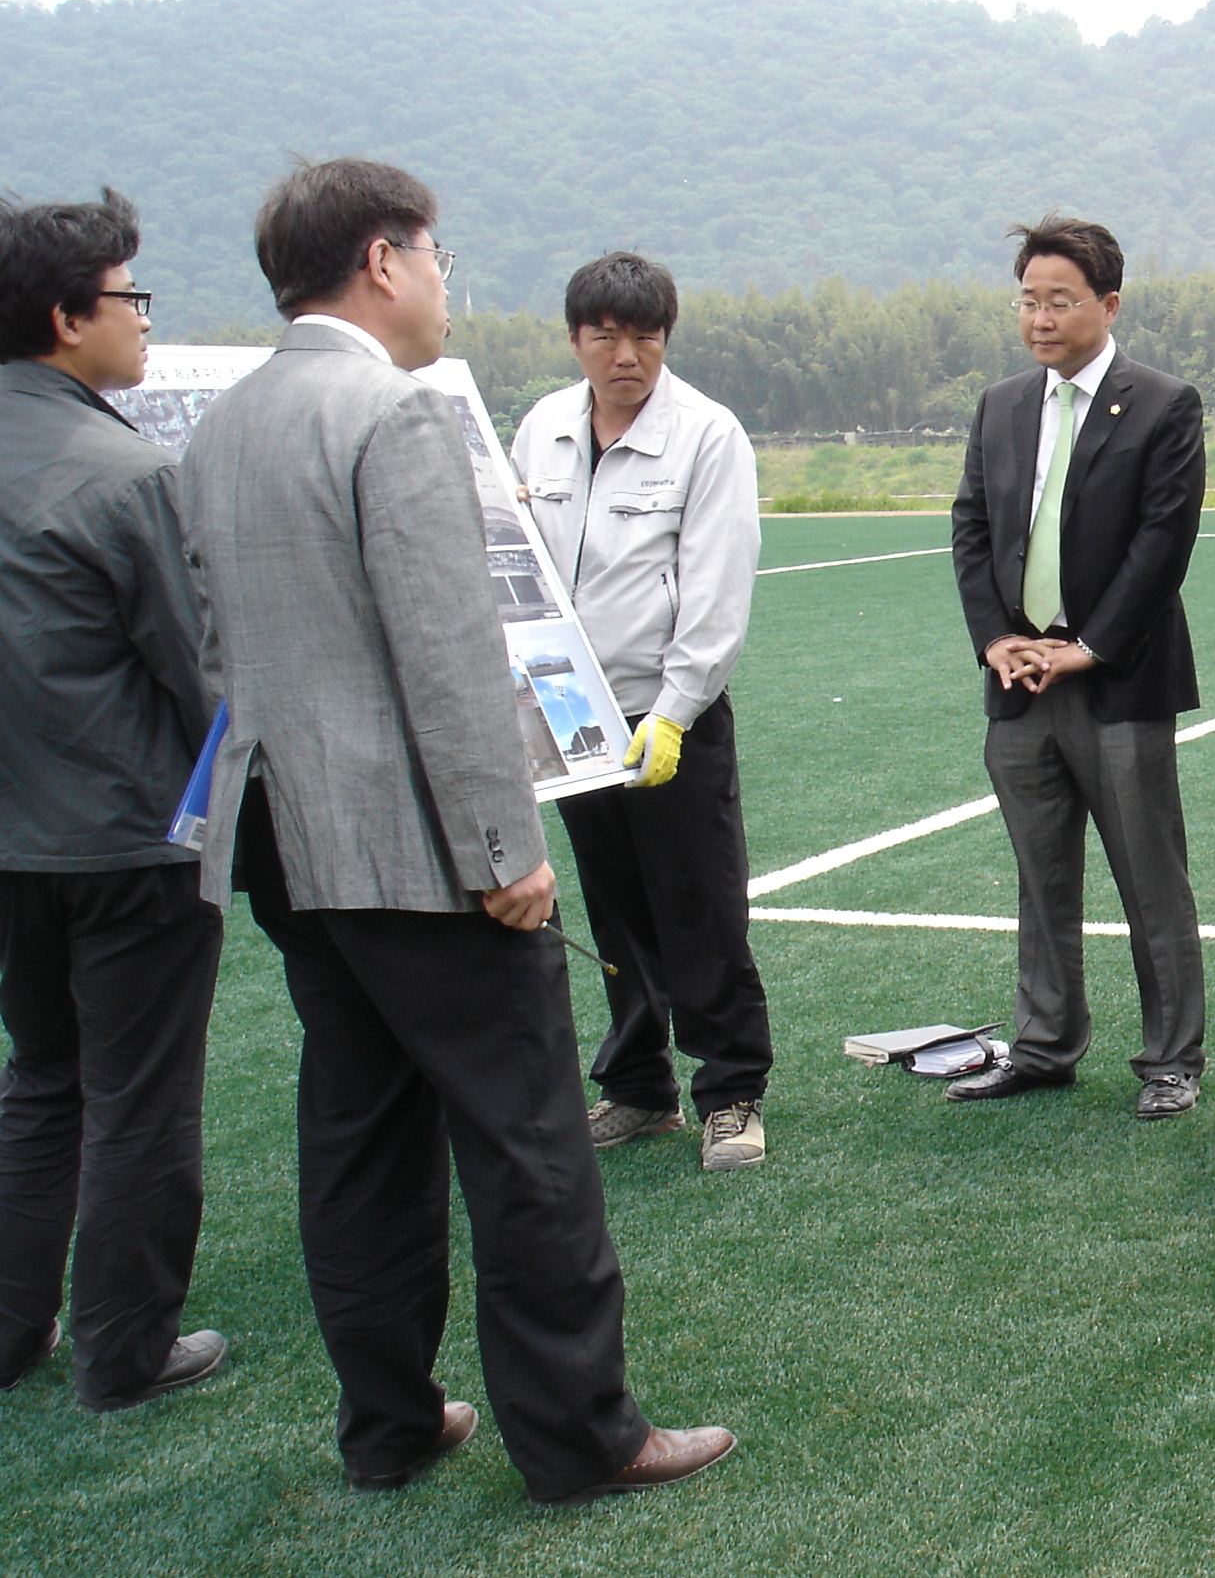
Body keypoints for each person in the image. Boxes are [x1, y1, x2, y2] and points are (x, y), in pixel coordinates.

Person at [180, 158, 731, 1500]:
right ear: (383, 259)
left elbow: (207, 646)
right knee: (530, 1144)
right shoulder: (399, 416)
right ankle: (582, 1437)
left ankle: (387, 1422)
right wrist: (506, 853)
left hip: (285, 842)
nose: (442, 281)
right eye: (434, 256)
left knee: (358, 1134)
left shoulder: (221, 422)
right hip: (423, 851)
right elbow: (449, 659)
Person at [0, 190, 228, 1409]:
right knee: (138, 1096)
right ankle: (126, 1348)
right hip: (127, 845)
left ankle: (10, 1326)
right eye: (130, 295)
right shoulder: (121, 470)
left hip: (15, 851)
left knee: (42, 1078)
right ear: (65, 313)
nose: (144, 319)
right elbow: (202, 673)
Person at [512, 252, 771, 1173]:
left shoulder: (706, 434)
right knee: (614, 908)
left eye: (646, 336)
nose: (627, 355)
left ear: (666, 338)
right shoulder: (542, 428)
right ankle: (636, 1087)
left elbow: (716, 587)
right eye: (606, 336)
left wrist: (675, 709)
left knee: (699, 906)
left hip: (667, 718)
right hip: (571, 717)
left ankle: (731, 1091)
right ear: (576, 337)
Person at [947, 216, 1210, 1118]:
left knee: (1150, 876)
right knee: (1040, 874)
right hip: (1019, 684)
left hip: (1118, 681)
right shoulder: (1003, 405)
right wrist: (996, 639)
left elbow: (1161, 543)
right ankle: (1044, 1045)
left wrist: (1087, 646)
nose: (1041, 317)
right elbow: (972, 526)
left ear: (1108, 303)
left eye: (1061, 300)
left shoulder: (1164, 404)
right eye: (1029, 299)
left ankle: (1172, 1058)